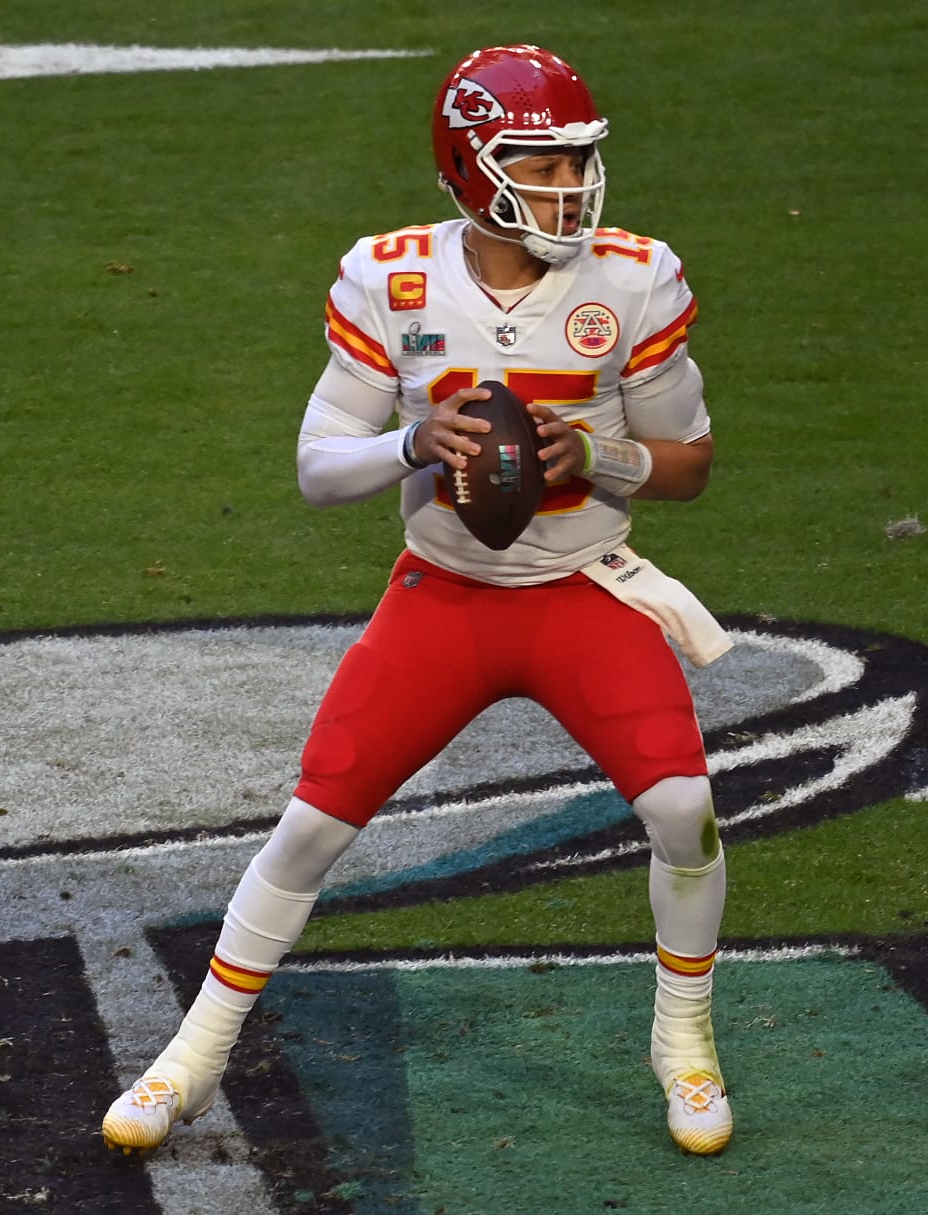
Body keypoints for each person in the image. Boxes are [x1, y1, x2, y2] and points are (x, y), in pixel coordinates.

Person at [103, 43, 734, 1158]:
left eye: (578, 161)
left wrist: (594, 455)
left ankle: (682, 1043)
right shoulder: (389, 278)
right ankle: (190, 1058)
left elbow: (687, 462)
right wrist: (411, 441)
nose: (568, 188)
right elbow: (315, 470)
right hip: (443, 594)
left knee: (683, 809)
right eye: (538, 165)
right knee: (309, 827)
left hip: (582, 588)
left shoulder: (636, 274)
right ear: (468, 167)